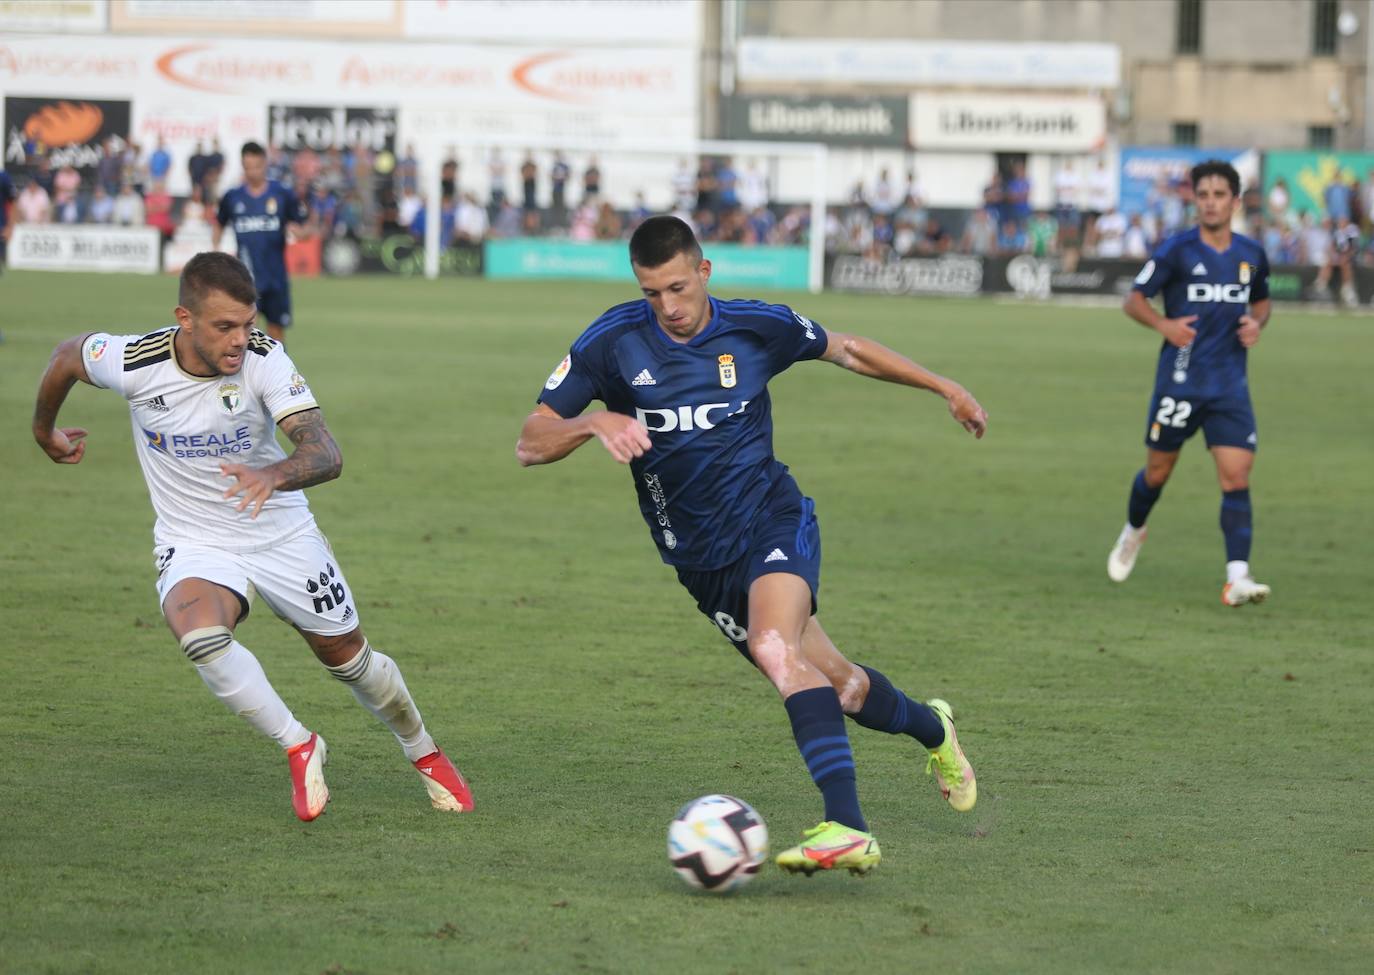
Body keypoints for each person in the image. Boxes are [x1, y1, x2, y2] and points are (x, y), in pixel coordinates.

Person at [515, 216, 985, 876]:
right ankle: (936, 731)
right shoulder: (612, 342)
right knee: (842, 686)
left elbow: (847, 348)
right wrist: (592, 420)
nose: (668, 307)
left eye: (677, 287)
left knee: (774, 647)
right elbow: (530, 441)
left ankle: (848, 827)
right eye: (652, 293)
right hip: (701, 564)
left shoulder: (755, 328)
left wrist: (945, 386)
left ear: (704, 271)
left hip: (772, 517)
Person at [32, 252, 474, 822]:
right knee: (198, 634)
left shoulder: (264, 358)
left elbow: (326, 453)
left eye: (247, 323)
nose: (240, 339)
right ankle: (299, 743)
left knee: (349, 660)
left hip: (282, 532)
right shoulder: (135, 360)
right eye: (224, 327)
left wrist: (272, 475)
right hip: (194, 538)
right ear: (184, 319)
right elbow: (67, 355)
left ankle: (425, 752)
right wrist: (45, 432)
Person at [1109, 160, 1272, 606]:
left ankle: (1237, 576)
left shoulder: (1251, 254)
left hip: (1229, 387)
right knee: (1157, 473)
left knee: (1236, 477)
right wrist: (1164, 326)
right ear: (1194, 200)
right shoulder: (1176, 251)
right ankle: (1134, 529)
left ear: (1235, 202)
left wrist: (1257, 324)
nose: (1211, 203)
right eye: (1203, 195)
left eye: (1220, 195)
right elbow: (1133, 300)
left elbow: (1262, 302)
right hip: (1179, 383)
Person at [213, 142, 310, 343]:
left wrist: (299, 232)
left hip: (276, 278)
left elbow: (304, 227)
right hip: (245, 279)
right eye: (247, 167)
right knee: (244, 333)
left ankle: (277, 373)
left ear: (265, 164)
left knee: (276, 333)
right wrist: (216, 251)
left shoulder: (282, 193)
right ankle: (245, 375)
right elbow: (219, 223)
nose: (252, 172)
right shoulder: (233, 197)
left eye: (256, 166)